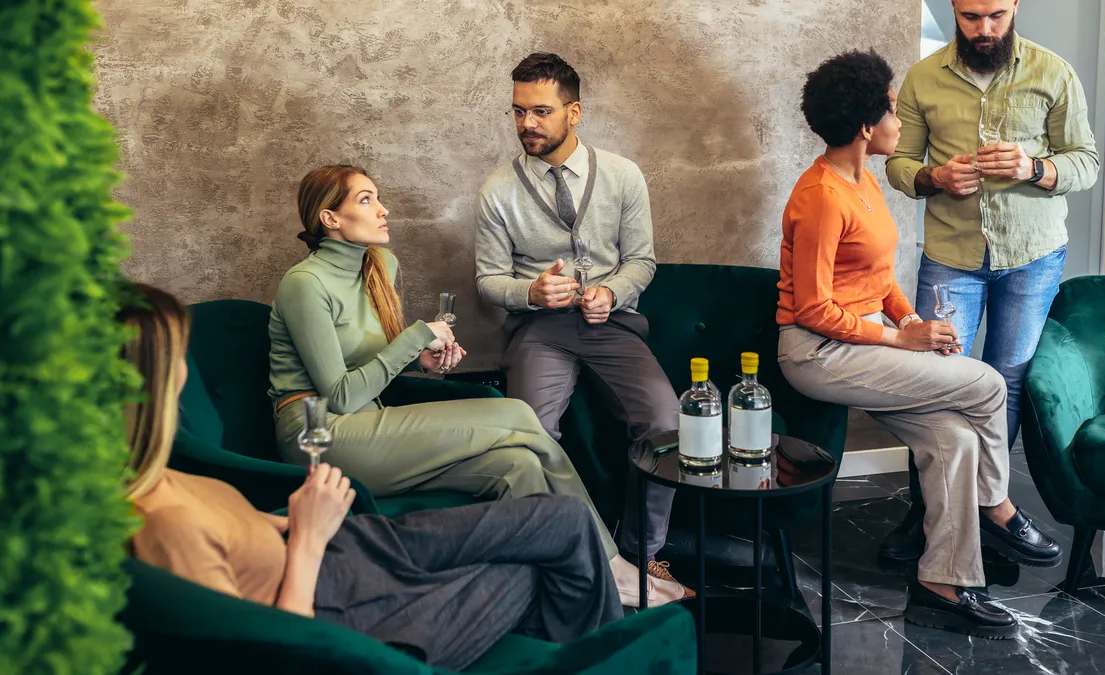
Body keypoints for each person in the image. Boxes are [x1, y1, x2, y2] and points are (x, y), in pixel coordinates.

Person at [121, 283, 624, 670]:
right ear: (157, 376)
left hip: (354, 543)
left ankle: (606, 593)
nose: (188, 370)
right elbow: (272, 653)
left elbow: (236, 540)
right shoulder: (164, 523)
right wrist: (308, 539)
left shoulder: (171, 479)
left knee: (564, 520)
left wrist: (291, 523)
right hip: (342, 602)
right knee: (540, 567)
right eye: (179, 353)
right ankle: (617, 646)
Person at [267, 165, 683, 606]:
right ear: (330, 219)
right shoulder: (304, 284)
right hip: (319, 434)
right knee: (519, 414)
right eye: (366, 199)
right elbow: (341, 395)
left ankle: (563, 589)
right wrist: (412, 339)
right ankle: (611, 565)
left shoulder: (380, 265)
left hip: (371, 424)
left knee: (518, 464)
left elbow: (369, 365)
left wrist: (420, 359)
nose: (383, 208)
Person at [776, 50, 1061, 639]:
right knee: (985, 382)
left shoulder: (866, 184)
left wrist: (911, 323)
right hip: (816, 353)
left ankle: (942, 583)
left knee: (954, 439)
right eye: (890, 111)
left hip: (862, 347)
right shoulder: (821, 196)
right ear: (864, 126)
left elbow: (878, 281)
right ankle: (997, 508)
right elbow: (812, 308)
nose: (899, 123)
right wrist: (902, 341)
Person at [882, 0, 1099, 562]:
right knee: (934, 379)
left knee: (1007, 380)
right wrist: (933, 176)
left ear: (1016, 6)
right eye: (971, 16)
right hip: (951, 255)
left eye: (996, 15)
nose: (984, 29)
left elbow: (1086, 162)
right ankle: (927, 511)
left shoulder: (1054, 72)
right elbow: (898, 164)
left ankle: (988, 506)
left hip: (1033, 254)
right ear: (954, 9)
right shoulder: (922, 78)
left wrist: (1033, 168)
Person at [474, 52, 688, 592]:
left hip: (612, 325)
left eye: (541, 111)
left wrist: (612, 292)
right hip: (537, 330)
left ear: (575, 112)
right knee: (530, 432)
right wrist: (530, 292)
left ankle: (643, 555)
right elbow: (487, 281)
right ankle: (555, 555)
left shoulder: (623, 175)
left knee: (667, 421)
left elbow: (643, 260)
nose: (527, 124)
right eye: (518, 112)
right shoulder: (497, 191)